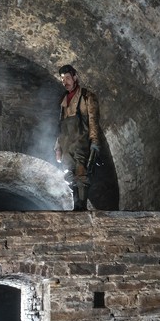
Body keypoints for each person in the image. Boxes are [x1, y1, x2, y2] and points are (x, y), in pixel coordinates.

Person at [53, 64, 101, 211]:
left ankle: (81, 205)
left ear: (75, 77)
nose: (65, 82)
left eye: (67, 78)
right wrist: (57, 147)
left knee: (81, 173)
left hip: (82, 142)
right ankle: (76, 205)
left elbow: (93, 121)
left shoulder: (87, 97)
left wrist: (94, 142)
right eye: (62, 79)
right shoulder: (64, 101)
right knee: (69, 174)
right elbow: (60, 126)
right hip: (67, 143)